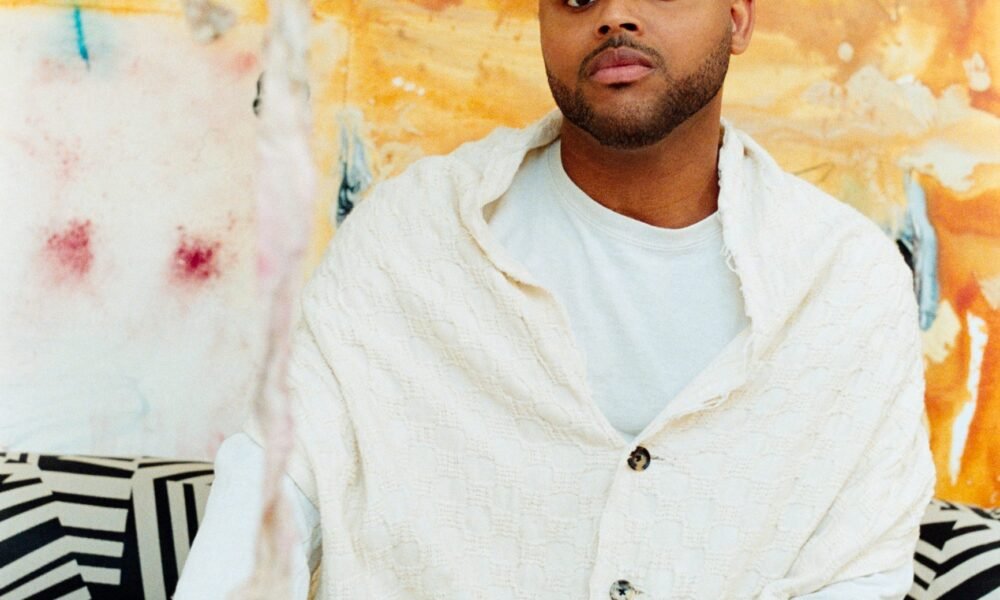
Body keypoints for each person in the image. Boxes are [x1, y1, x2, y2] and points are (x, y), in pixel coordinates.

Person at [175, 0, 936, 597]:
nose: (614, 17)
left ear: (738, 16)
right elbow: (272, 490)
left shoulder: (843, 285)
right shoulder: (410, 238)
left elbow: (858, 575)